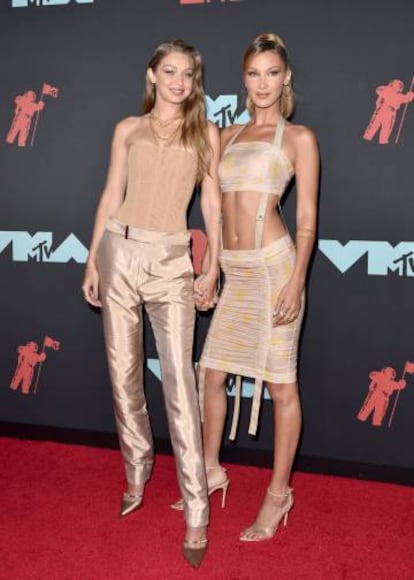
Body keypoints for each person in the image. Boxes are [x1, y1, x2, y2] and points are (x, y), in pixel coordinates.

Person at [81, 39, 221, 568]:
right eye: (170, 71)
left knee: (180, 384)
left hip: (170, 260)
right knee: (124, 375)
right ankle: (136, 473)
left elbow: (211, 203)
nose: (179, 82)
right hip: (119, 248)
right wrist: (94, 260)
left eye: (188, 74)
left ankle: (196, 509)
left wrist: (213, 264)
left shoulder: (206, 132)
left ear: (195, 80)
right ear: (152, 75)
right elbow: (110, 192)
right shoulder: (127, 129)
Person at [196, 33, 319, 542]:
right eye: (253, 73)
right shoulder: (224, 135)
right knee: (210, 375)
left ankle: (278, 493)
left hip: (273, 269)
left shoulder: (298, 138)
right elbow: (211, 208)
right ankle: (208, 471)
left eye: (272, 72)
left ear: (286, 77)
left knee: (281, 386)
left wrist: (297, 280)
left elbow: (308, 218)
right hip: (235, 268)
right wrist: (210, 270)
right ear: (243, 79)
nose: (263, 83)